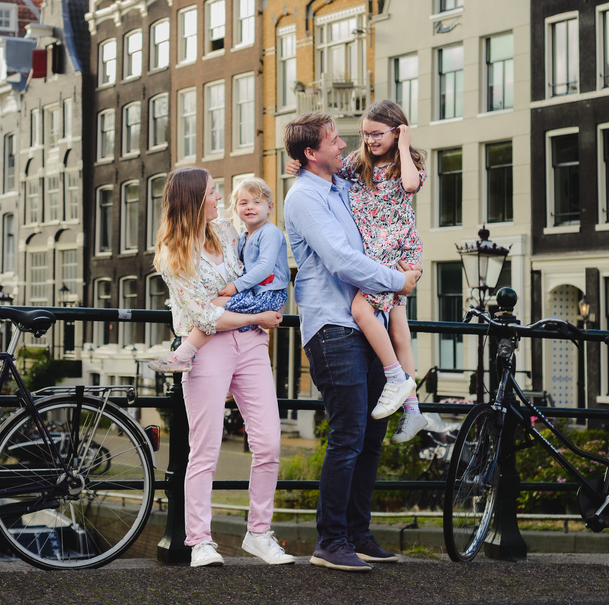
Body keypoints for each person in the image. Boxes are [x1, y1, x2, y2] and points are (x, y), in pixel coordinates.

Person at [283, 113, 421, 572]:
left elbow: (382, 192)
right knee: (347, 436)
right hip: (332, 327)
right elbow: (342, 260)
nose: (342, 144)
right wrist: (398, 281)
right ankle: (331, 542)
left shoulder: (338, 185)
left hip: (367, 323)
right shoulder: (304, 196)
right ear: (310, 153)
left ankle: (359, 536)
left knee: (371, 437)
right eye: (333, 139)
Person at [152, 167, 294, 568]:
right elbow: (202, 316)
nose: (222, 199)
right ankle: (199, 541)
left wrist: (247, 310)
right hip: (209, 351)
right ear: (196, 199)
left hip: (250, 345)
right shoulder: (172, 254)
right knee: (205, 449)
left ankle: (259, 534)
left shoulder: (229, 234)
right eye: (214, 192)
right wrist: (258, 315)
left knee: (268, 443)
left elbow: (259, 278)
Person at [286, 100, 428, 442]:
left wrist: (405, 145)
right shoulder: (349, 172)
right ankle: (407, 397)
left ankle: (408, 401)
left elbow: (410, 185)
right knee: (387, 325)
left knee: (394, 328)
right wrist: (299, 165)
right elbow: (327, 170)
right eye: (361, 135)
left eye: (375, 134)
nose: (359, 142)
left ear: (397, 131)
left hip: (393, 251)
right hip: (376, 266)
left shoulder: (403, 165)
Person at [149, 177, 289, 372]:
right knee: (209, 310)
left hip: (267, 295)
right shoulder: (240, 237)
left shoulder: (261, 233)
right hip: (252, 302)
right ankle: (189, 357)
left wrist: (236, 287)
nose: (219, 196)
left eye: (257, 202)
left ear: (270, 206)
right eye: (243, 203)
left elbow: (264, 267)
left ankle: (184, 354)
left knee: (212, 305)